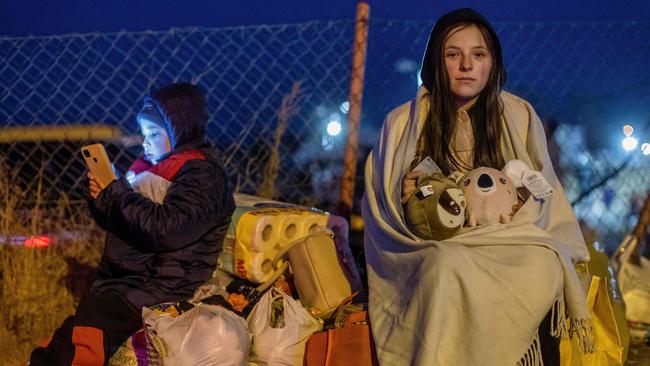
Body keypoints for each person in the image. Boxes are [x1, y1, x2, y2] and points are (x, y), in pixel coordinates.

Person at [362, 8, 593, 365]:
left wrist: (515, 211)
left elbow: (543, 192)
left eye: (478, 55)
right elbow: (384, 207)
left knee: (542, 262)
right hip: (434, 242)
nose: (466, 65)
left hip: (509, 235)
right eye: (453, 55)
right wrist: (405, 198)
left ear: (493, 62)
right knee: (445, 266)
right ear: (437, 62)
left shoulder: (518, 114)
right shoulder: (402, 122)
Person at [30, 82, 235, 365]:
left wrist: (116, 191)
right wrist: (100, 197)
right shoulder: (149, 167)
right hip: (136, 278)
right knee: (73, 327)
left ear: (179, 131)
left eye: (153, 133)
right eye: (143, 134)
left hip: (170, 283)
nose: (145, 141)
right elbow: (125, 218)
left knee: (96, 315)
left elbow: (168, 229)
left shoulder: (202, 175)